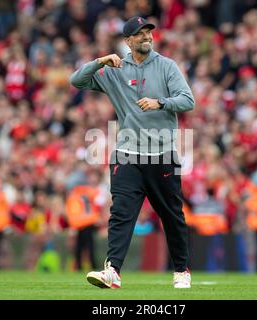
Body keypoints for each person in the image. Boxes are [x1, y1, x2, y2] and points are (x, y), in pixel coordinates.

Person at [70, 16, 195, 288]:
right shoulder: (114, 69)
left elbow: (188, 100)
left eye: (149, 32)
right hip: (127, 154)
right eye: (140, 34)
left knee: (172, 216)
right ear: (128, 41)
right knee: (121, 214)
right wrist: (100, 61)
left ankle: (181, 270)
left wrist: (160, 102)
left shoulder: (166, 66)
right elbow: (77, 81)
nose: (147, 37)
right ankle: (112, 270)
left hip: (163, 153)